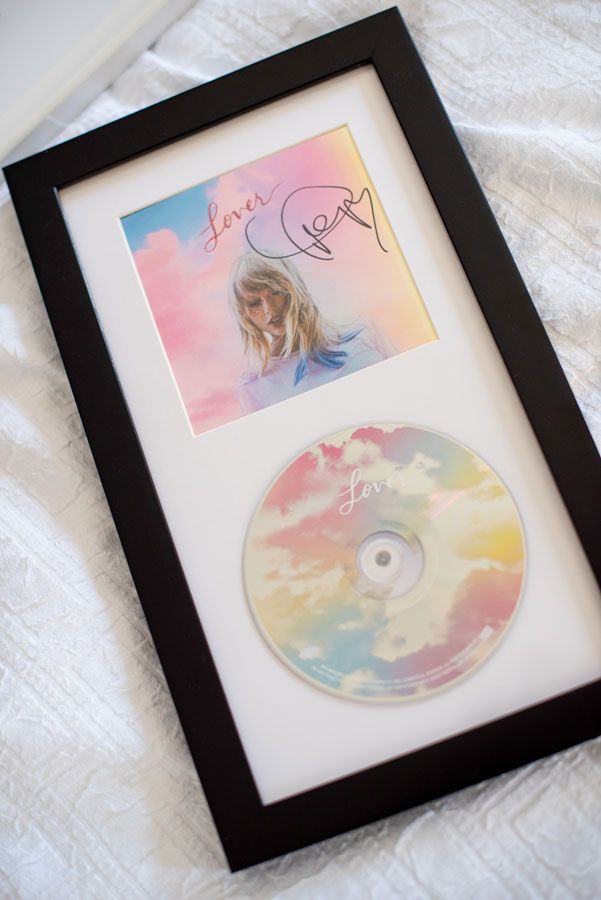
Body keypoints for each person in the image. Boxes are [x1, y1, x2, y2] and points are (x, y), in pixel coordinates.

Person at [229, 251, 396, 413]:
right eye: (254, 303)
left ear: (295, 287)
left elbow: (403, 380)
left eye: (277, 291)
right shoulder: (254, 387)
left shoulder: (361, 331)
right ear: (243, 313)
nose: (269, 309)